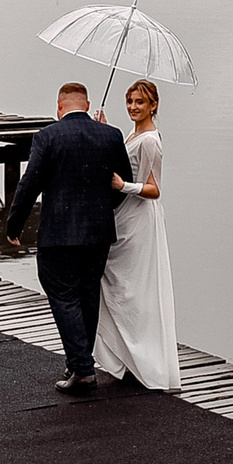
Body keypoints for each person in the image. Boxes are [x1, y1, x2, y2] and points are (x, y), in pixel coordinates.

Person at [4, 81, 134, 396]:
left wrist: (14, 226)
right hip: (99, 233)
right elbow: (123, 183)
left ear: (59, 107)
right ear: (87, 105)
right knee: (88, 295)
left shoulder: (47, 137)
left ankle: (83, 368)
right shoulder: (112, 135)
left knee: (62, 294)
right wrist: (102, 210)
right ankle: (79, 362)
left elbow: (29, 184)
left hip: (58, 234)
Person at [94, 79, 179, 391]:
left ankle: (144, 359)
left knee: (133, 289)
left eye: (140, 102)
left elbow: (154, 188)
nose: (133, 107)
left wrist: (123, 187)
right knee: (117, 284)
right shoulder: (134, 133)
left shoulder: (151, 141)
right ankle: (126, 355)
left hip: (140, 220)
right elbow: (126, 160)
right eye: (130, 101)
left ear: (153, 105)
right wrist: (105, 129)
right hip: (125, 217)